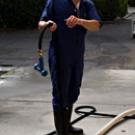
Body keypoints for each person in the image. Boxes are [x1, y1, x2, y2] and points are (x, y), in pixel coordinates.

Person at [38, 0, 101, 134]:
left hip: (77, 55)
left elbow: (96, 25)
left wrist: (80, 21)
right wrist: (49, 24)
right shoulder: (55, 2)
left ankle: (66, 126)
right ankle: (62, 132)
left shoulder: (87, 4)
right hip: (60, 55)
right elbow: (41, 23)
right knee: (61, 93)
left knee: (73, 89)